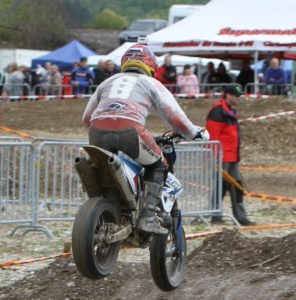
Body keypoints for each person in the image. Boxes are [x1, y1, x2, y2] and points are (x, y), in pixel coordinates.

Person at [81, 44, 206, 234]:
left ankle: (107, 210)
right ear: (151, 65)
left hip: (97, 130)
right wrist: (194, 132)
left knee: (100, 167)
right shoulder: (151, 83)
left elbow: (86, 118)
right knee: (158, 165)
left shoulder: (107, 81)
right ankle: (147, 217)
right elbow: (174, 116)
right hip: (130, 130)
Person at [206, 84, 252, 226]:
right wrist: (215, 157)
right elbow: (213, 136)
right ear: (228, 95)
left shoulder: (230, 111)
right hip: (222, 157)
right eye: (236, 96)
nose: (238, 98)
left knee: (237, 187)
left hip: (232, 157)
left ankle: (240, 217)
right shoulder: (217, 111)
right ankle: (216, 215)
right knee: (220, 186)